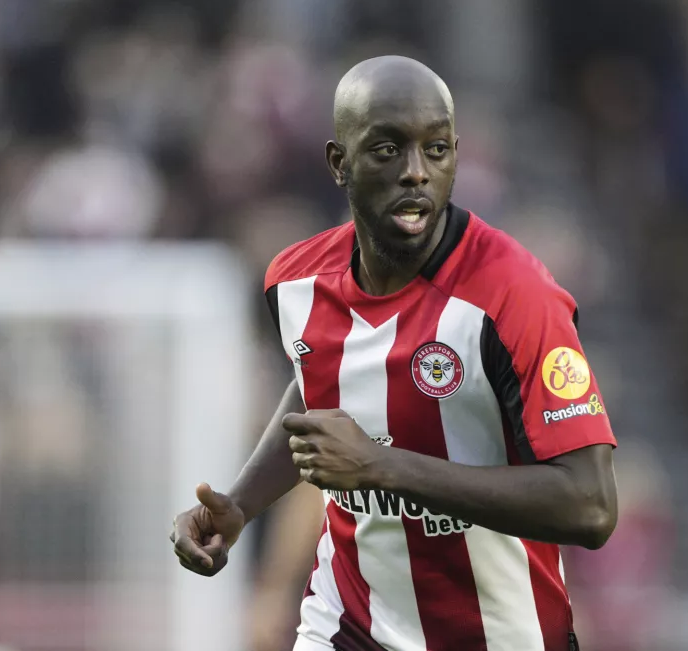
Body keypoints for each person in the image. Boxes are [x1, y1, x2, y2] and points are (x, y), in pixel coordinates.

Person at [170, 55, 619, 651]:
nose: (416, 172)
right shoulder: (297, 283)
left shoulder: (516, 298)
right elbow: (319, 381)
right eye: (387, 149)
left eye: (436, 150)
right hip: (349, 627)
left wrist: (380, 468)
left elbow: (591, 507)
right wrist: (239, 504)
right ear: (339, 163)